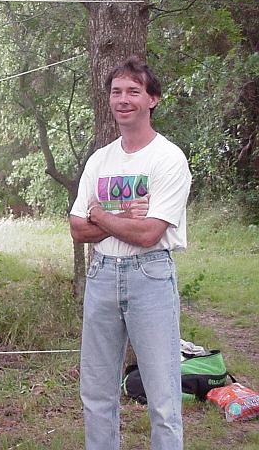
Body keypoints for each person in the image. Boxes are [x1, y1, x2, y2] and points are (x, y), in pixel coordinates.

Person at [69, 57, 191, 449]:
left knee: (164, 401)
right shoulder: (100, 159)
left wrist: (100, 214)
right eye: (116, 91)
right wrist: (121, 219)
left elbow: (149, 234)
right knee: (97, 394)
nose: (124, 100)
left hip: (150, 277)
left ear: (152, 99)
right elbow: (76, 228)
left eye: (134, 92)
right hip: (101, 275)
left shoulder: (168, 158)